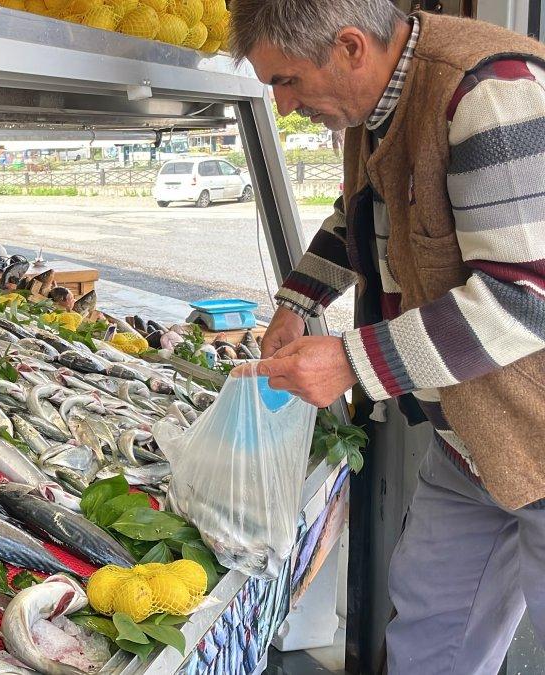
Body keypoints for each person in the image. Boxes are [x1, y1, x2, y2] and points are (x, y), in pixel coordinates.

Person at [232, 2, 545, 672]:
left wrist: (350, 359)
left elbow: (524, 298)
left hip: (539, 434)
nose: (284, 107)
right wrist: (297, 301)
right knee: (431, 635)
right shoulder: (371, 107)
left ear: (349, 47)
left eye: (287, 81)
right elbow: (360, 213)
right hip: (471, 441)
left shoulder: (486, 91)